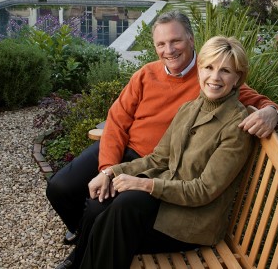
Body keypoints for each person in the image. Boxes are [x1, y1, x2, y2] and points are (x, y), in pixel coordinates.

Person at [46, 10, 278, 251]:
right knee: (59, 188)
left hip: (157, 164)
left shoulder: (211, 74)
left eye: (175, 41)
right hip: (126, 153)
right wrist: (108, 169)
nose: (168, 50)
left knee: (99, 205)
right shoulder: (146, 74)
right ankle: (85, 233)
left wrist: (273, 113)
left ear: (191, 39)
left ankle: (89, 242)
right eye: (161, 44)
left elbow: (260, 101)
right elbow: (117, 121)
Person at [67, 35, 254, 268]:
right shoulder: (190, 108)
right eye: (209, 67)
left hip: (191, 223)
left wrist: (145, 185)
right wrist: (110, 173)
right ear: (199, 69)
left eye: (225, 71)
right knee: (99, 203)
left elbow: (204, 190)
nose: (214, 77)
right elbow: (159, 158)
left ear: (238, 78)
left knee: (123, 211)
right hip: (169, 203)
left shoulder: (236, 126)